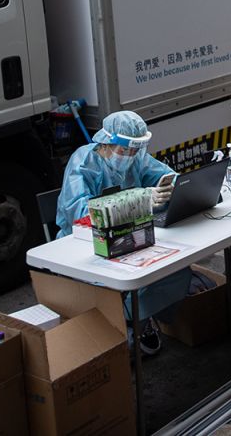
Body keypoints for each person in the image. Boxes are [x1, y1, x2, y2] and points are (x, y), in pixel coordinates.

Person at [55, 111, 182, 356]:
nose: (130, 157)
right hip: (85, 245)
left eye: (135, 151)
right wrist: (142, 199)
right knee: (141, 280)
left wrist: (170, 189)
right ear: (105, 142)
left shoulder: (137, 158)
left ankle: (135, 322)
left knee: (175, 272)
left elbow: (167, 177)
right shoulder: (82, 163)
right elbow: (80, 214)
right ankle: (125, 323)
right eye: (124, 150)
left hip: (128, 237)